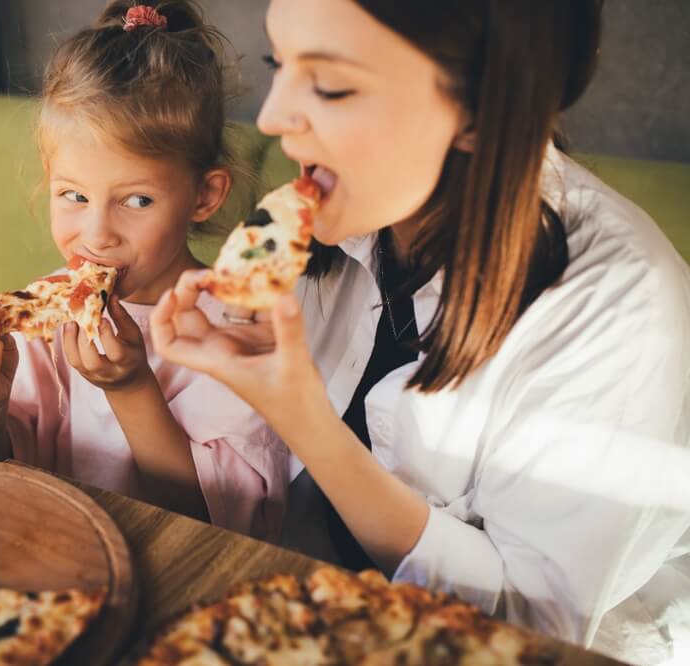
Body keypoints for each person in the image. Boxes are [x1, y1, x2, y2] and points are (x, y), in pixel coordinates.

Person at [149, 0, 690, 662]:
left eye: (331, 84)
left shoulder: (616, 302)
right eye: (278, 63)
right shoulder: (331, 226)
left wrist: (306, 424)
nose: (271, 118)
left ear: (479, 110)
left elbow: (529, 631)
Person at [0, 1, 290, 542]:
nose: (98, 233)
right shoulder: (46, 318)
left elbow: (221, 522)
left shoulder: (239, 332)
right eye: (75, 195)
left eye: (136, 200)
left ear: (204, 195)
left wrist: (132, 388)